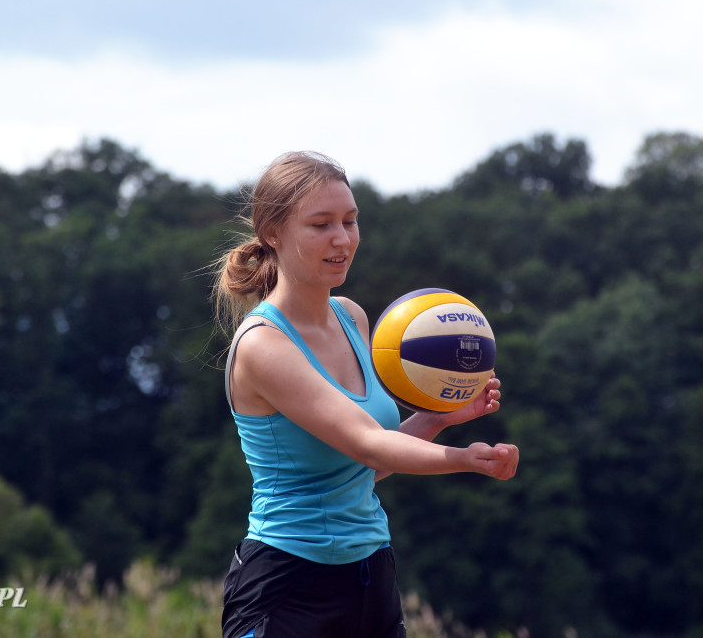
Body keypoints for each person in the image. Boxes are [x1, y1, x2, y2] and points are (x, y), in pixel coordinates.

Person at [212, 151, 519, 638]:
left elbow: (366, 467)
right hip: (287, 589)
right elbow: (366, 442)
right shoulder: (263, 345)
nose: (342, 239)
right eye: (320, 224)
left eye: (350, 221)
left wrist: (436, 418)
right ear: (273, 232)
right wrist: (463, 459)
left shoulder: (352, 319)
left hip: (371, 577)